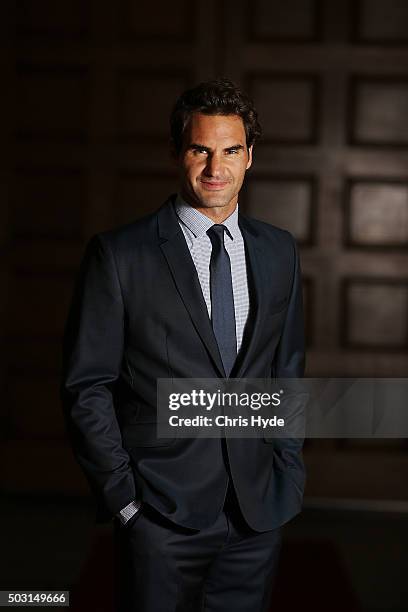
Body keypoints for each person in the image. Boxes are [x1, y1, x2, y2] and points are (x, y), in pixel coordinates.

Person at [60, 77, 305, 612]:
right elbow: (87, 386)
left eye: (231, 150)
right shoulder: (119, 255)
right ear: (177, 152)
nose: (216, 168)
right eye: (200, 149)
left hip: (256, 513)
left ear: (250, 156)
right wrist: (125, 501)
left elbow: (285, 372)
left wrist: (287, 471)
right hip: (158, 513)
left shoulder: (279, 252)